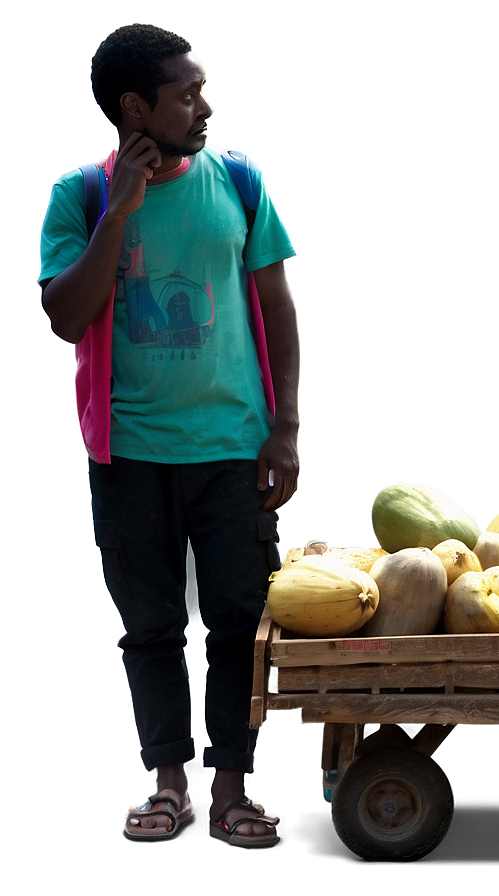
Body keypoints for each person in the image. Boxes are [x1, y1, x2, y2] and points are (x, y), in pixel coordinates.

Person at [38, 23, 301, 847]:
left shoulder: (244, 183)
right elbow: (62, 317)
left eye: (202, 89)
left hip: (232, 450)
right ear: (133, 107)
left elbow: (280, 307)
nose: (205, 107)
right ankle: (168, 790)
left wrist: (285, 427)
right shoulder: (78, 196)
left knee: (238, 622)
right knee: (148, 629)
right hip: (128, 458)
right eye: (185, 94)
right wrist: (119, 214)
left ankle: (231, 791)